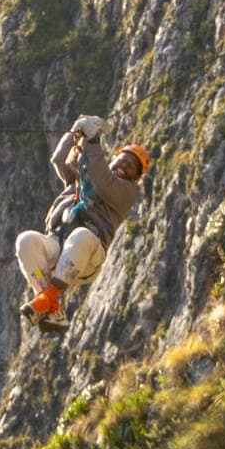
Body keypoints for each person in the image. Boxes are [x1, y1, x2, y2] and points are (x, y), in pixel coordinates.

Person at [15, 116, 151, 333]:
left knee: (82, 235)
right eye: (122, 160)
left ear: (135, 177)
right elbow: (59, 159)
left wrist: (94, 141)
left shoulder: (126, 192)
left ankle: (48, 298)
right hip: (59, 242)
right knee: (26, 241)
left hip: (88, 253)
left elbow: (103, 180)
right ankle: (50, 304)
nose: (125, 165)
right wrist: (75, 132)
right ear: (112, 160)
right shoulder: (81, 180)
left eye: (132, 166)